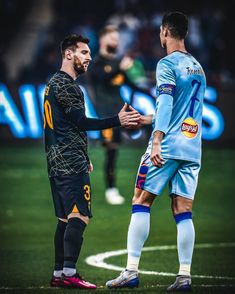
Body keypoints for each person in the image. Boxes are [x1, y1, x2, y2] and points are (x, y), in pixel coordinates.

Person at [106, 11, 206, 291]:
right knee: (183, 210)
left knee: (141, 200)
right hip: (192, 147)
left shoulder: (167, 63)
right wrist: (146, 119)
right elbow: (183, 109)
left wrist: (157, 139)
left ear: (164, 32)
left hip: (168, 145)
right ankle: (184, 276)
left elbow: (165, 102)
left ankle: (130, 271)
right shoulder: (197, 66)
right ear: (184, 33)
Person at [43, 34, 140, 289]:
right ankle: (70, 273)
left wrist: (85, 156)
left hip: (58, 160)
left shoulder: (54, 83)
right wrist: (117, 120)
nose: (89, 57)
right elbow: (82, 123)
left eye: (89, 53)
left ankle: (59, 273)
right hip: (68, 162)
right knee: (80, 216)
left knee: (64, 219)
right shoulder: (67, 85)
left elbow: (68, 127)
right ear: (68, 54)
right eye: (84, 52)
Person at [89, 25, 146, 205]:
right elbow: (103, 80)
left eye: (117, 39)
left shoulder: (118, 62)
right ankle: (111, 190)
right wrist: (121, 69)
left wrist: (152, 90)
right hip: (106, 114)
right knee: (111, 151)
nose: (115, 42)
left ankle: (152, 180)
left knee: (149, 126)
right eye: (112, 38)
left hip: (121, 109)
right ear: (102, 40)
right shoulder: (96, 62)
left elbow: (130, 84)